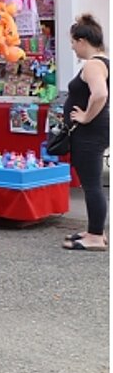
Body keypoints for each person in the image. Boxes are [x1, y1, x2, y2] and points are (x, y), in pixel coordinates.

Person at [61, 15, 109, 251]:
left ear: (82, 41)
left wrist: (86, 117)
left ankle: (96, 236)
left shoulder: (92, 65)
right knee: (91, 182)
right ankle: (94, 229)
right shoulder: (102, 62)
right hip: (93, 131)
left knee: (91, 183)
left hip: (90, 132)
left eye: (72, 42)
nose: (71, 47)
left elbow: (99, 94)